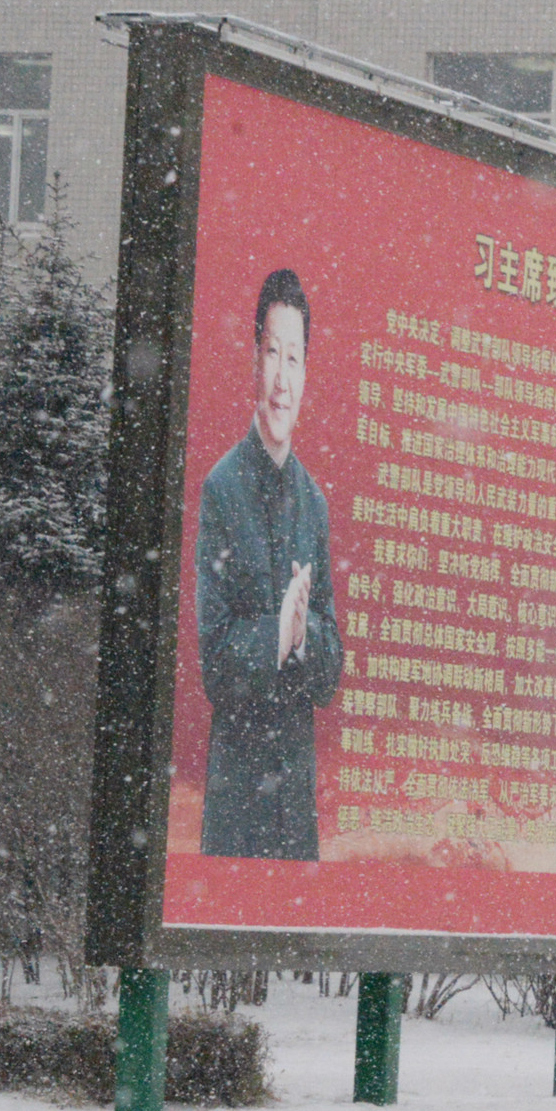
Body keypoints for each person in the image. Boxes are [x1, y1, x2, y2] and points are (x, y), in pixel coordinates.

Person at [195, 267, 343, 859]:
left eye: (295, 359)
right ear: (254, 361)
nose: (282, 380)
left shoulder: (315, 504)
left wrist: (306, 636)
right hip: (238, 799)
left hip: (295, 802)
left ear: (307, 372)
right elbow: (214, 662)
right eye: (273, 354)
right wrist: (276, 635)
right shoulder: (222, 490)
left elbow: (330, 678)